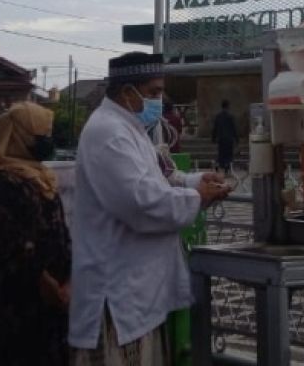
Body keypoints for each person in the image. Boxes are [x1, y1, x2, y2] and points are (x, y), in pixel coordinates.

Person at [70, 53, 231, 365]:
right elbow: (142, 203)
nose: (159, 100)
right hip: (116, 294)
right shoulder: (109, 132)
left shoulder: (129, 128)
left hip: (137, 291)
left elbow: (159, 178)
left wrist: (197, 182)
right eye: (154, 92)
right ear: (127, 91)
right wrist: (198, 197)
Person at [0, 102, 71, 366]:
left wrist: (67, 281)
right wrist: (46, 283)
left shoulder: (42, 176)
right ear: (17, 136)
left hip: (51, 307)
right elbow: (9, 245)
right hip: (16, 306)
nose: (46, 141)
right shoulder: (2, 182)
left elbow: (60, 231)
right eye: (40, 136)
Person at [212, 100, 237, 172]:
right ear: (228, 106)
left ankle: (219, 165)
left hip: (221, 139)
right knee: (229, 154)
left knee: (221, 154)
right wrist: (236, 139)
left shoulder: (218, 116)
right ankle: (227, 166)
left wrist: (213, 138)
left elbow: (215, 128)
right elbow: (233, 128)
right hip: (229, 139)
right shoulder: (230, 116)